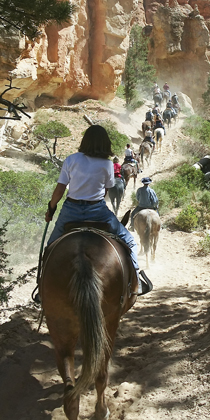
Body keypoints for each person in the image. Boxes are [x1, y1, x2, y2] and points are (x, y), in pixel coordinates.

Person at [44, 125, 152, 295]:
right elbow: (106, 191)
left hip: (71, 210)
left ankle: (42, 289)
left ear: (84, 140)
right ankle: (136, 283)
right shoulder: (107, 164)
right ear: (104, 143)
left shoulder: (71, 160)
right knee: (130, 242)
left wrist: (51, 209)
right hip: (97, 211)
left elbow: (59, 190)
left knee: (50, 246)